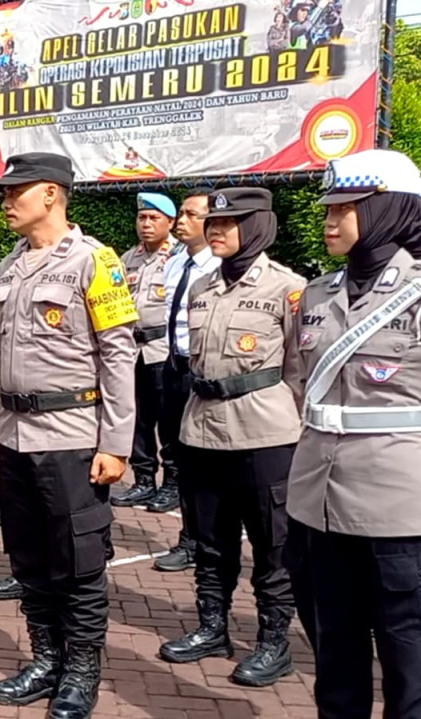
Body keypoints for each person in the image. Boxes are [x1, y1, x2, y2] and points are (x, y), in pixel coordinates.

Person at [0, 153, 137, 719]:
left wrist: (116, 443)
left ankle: (80, 671)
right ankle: (46, 658)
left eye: (15, 191)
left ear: (51, 194)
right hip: (15, 435)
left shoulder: (95, 261)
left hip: (72, 435)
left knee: (79, 559)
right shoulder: (11, 265)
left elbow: (119, 354)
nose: (6, 201)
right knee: (27, 556)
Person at [285, 149, 421, 718]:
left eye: (349, 206)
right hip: (317, 505)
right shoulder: (317, 294)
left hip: (399, 510)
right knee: (335, 665)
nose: (330, 218)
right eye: (328, 206)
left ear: (390, 208)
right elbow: (299, 383)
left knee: (409, 671)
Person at [156, 187, 304, 688]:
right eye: (213, 222)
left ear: (258, 225)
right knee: (210, 541)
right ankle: (212, 627)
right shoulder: (202, 288)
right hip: (202, 429)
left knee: (272, 545)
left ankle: (273, 641)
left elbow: (301, 373)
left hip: (264, 433)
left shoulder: (289, 289)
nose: (216, 230)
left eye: (230, 222)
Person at [154, 190, 218, 573]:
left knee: (203, 463)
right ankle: (190, 538)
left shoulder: (218, 268)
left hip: (203, 371)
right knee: (179, 455)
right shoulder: (177, 264)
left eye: (191, 214)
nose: (181, 220)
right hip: (174, 366)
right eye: (180, 213)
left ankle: (202, 541)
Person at [112, 193, 181, 513]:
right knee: (138, 418)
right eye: (142, 218)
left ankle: (172, 484)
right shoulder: (128, 259)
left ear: (170, 222)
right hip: (132, 349)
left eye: (154, 218)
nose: (147, 224)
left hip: (163, 349)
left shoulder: (179, 258)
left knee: (169, 420)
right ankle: (143, 480)